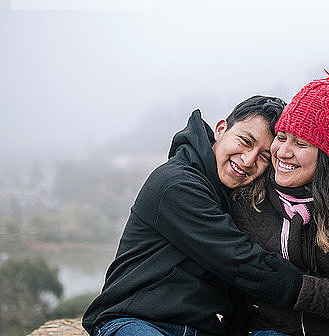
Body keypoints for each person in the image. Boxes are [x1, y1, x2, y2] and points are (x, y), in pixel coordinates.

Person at [82, 96, 306, 336]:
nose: (248, 160)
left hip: (203, 330)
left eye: (263, 156)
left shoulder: (242, 199)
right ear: (221, 130)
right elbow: (241, 261)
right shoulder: (177, 183)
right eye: (244, 141)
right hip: (135, 321)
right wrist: (318, 290)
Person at [230, 73, 329, 336]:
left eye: (301, 143)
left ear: (327, 156)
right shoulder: (249, 198)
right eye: (281, 137)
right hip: (271, 331)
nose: (283, 151)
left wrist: (298, 288)